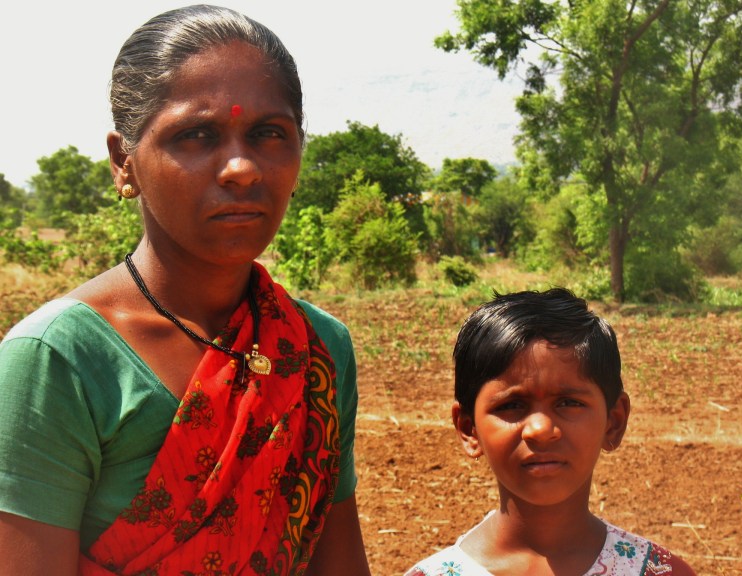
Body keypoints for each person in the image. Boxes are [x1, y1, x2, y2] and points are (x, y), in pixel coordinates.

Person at [0, 5, 371, 575]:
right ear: (124, 163)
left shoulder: (316, 348)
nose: (243, 167)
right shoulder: (56, 361)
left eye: (269, 133)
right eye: (197, 135)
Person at [404, 288, 696, 576]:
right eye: (511, 405)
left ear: (614, 421)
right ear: (469, 429)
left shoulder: (659, 572)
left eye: (569, 403)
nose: (541, 430)